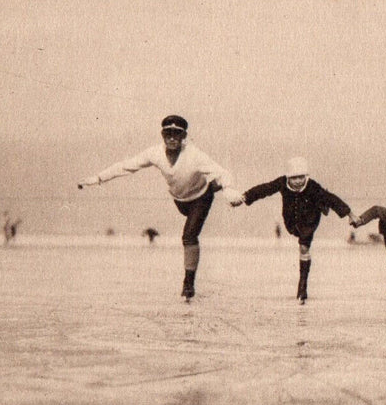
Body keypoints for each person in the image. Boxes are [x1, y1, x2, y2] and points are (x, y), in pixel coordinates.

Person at [78, 115, 243, 301]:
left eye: (177, 134)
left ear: (184, 136)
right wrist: (98, 178)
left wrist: (228, 188)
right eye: (168, 134)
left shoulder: (194, 155)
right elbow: (126, 166)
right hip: (180, 200)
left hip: (200, 198)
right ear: (162, 135)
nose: (172, 138)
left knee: (189, 235)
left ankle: (188, 283)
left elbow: (222, 171)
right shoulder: (154, 153)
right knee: (189, 224)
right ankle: (216, 185)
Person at [232, 157, 358, 304]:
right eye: (294, 178)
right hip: (291, 220)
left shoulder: (312, 186)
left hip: (310, 219)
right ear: (288, 177)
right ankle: (302, 282)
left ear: (306, 176)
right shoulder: (282, 183)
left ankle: (302, 285)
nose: (298, 181)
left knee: (304, 247)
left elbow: (331, 198)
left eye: (301, 177)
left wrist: (350, 214)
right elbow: (264, 189)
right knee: (297, 235)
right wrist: (244, 197)